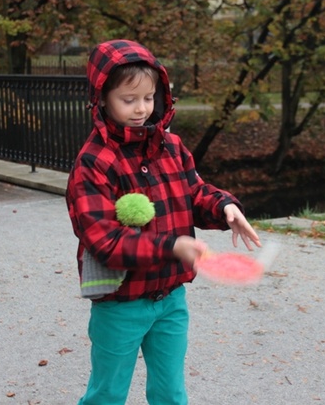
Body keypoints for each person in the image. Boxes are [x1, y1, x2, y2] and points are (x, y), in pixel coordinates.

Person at [66, 39, 261, 405]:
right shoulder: (94, 162)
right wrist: (172, 246)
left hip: (171, 298)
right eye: (129, 99)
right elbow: (104, 241)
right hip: (119, 302)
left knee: (171, 392)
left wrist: (224, 208)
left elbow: (195, 193)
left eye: (149, 97)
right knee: (106, 393)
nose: (141, 109)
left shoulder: (171, 147)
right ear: (103, 98)